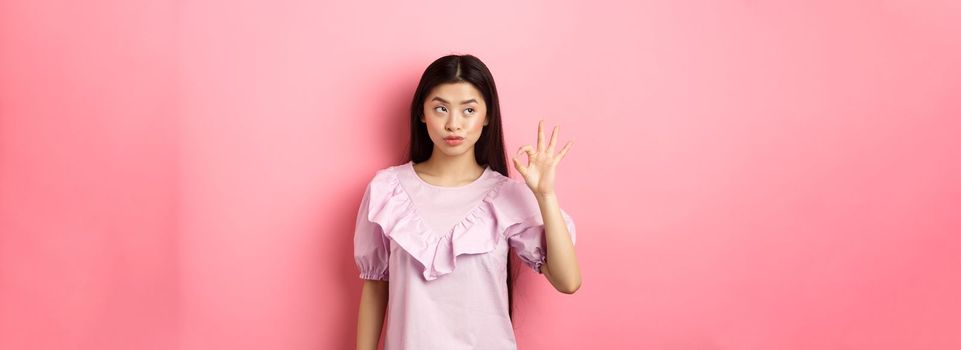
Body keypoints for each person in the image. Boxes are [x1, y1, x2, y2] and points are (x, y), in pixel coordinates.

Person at [354, 54, 581, 350]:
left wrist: (545, 196)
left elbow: (568, 281)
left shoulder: (506, 196)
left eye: (468, 110)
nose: (453, 124)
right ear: (422, 113)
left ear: (487, 116)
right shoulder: (388, 190)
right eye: (440, 108)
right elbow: (375, 286)